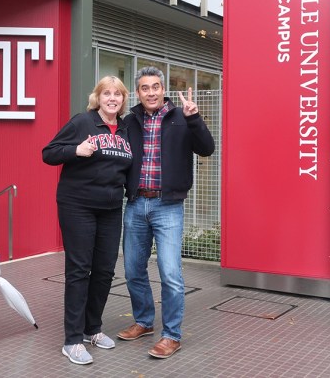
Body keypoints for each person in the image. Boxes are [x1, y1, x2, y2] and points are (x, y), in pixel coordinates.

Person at [117, 66, 215, 359]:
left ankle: (171, 335)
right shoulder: (130, 121)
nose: (151, 93)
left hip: (168, 206)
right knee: (133, 270)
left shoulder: (181, 117)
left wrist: (194, 118)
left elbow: (207, 149)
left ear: (163, 89)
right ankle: (144, 321)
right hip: (136, 204)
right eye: (145, 88)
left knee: (170, 273)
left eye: (155, 87)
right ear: (138, 92)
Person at [42, 76, 133, 365]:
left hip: (111, 209)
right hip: (78, 205)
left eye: (117, 94)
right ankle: (72, 340)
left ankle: (91, 328)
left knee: (105, 271)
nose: (112, 98)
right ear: (98, 97)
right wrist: (75, 150)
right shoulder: (82, 122)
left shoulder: (126, 129)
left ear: (123, 100)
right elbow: (49, 153)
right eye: (107, 93)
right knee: (79, 270)